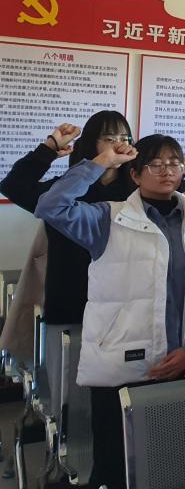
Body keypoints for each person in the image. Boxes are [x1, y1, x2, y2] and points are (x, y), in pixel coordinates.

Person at [35, 133, 185, 489]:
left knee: (172, 467)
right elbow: (51, 206)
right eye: (155, 164)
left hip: (183, 367)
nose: (167, 170)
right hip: (122, 369)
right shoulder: (107, 218)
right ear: (136, 174)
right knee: (116, 467)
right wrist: (100, 163)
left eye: (174, 162)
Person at [0, 112, 137, 437]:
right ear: (92, 145)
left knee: (117, 403)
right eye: (110, 138)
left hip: (122, 309)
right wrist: (50, 148)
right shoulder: (64, 190)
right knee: (70, 400)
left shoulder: (134, 191)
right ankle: (69, 454)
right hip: (71, 303)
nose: (119, 144)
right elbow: (14, 186)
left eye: (125, 138)